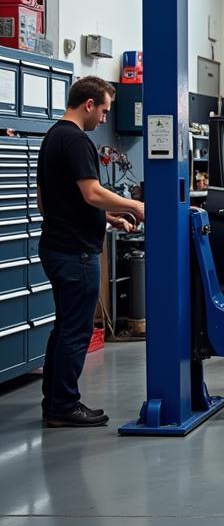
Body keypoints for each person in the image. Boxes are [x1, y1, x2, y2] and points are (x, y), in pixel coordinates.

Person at [37, 76, 146, 428]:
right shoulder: (77, 141)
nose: (104, 118)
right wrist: (136, 206)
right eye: (103, 110)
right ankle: (64, 405)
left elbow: (47, 201)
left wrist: (108, 218)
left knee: (64, 327)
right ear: (88, 104)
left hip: (55, 245)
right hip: (76, 254)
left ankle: (53, 401)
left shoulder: (52, 137)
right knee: (76, 331)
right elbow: (91, 193)